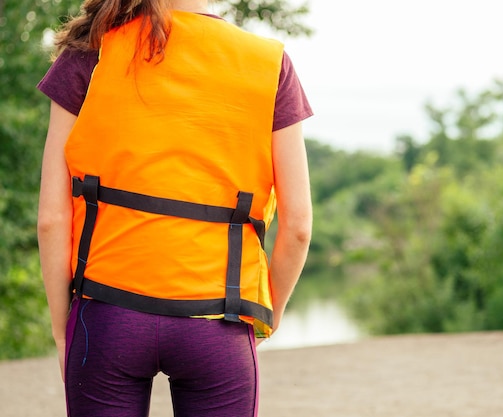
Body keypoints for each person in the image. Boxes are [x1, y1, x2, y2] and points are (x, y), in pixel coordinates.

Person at [36, 0, 313, 415]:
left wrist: (64, 334)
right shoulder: (269, 64)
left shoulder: (90, 50)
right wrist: (260, 322)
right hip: (221, 316)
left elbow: (51, 219)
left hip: (106, 316)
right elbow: (298, 227)